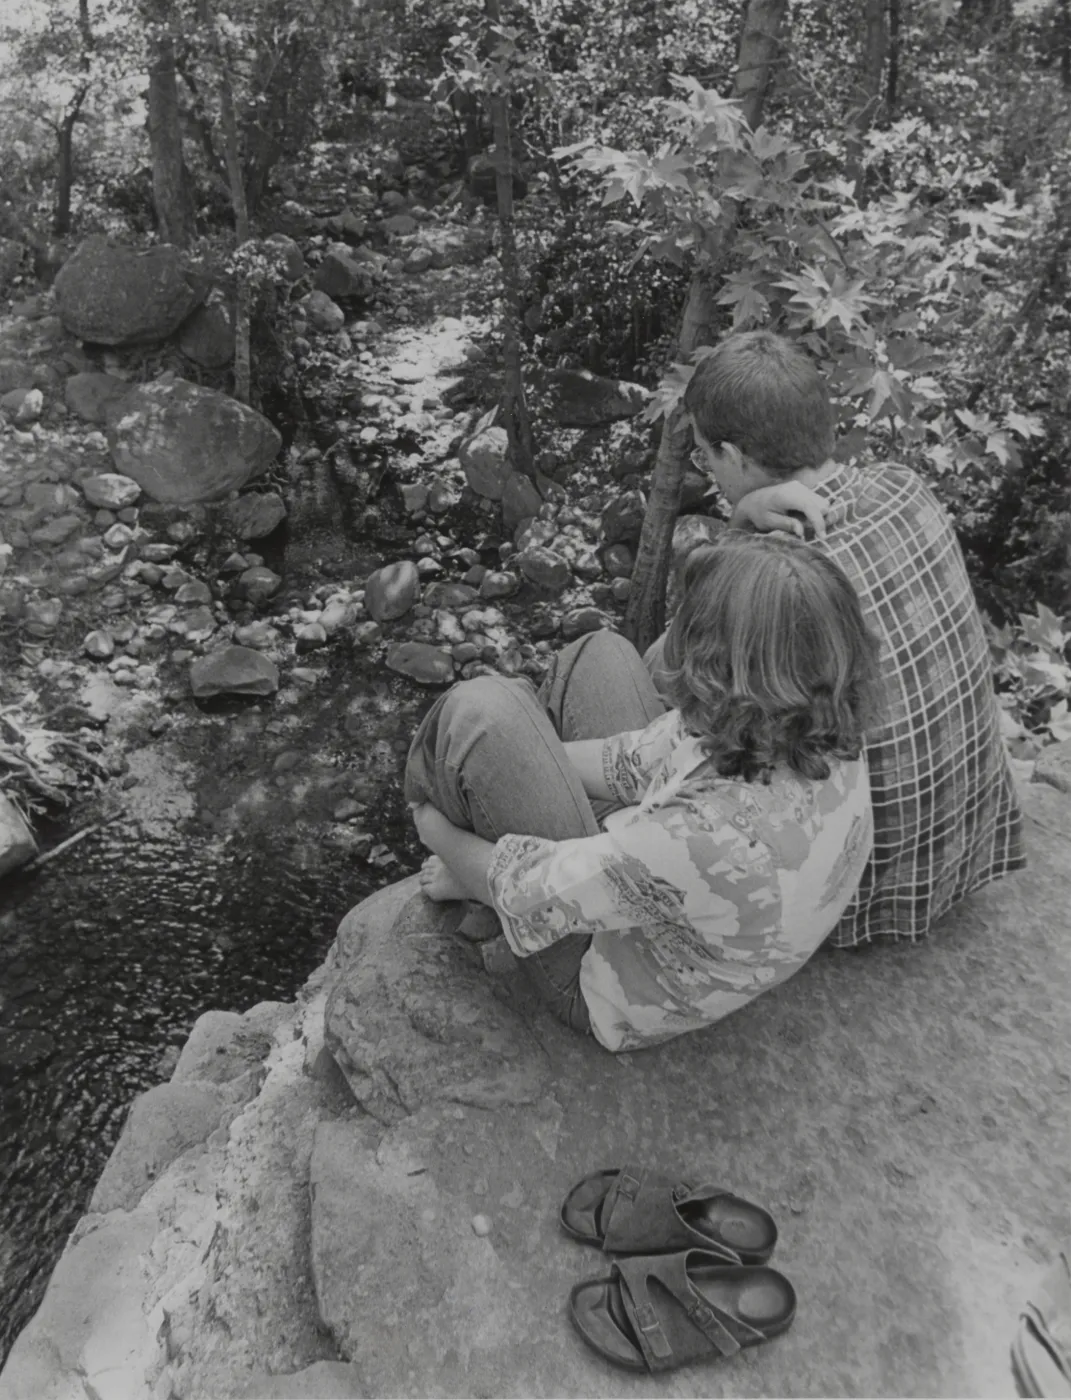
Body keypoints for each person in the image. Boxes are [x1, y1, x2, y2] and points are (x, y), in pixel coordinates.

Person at [406, 535, 880, 1053]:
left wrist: (436, 828)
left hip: (604, 983)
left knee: (482, 712)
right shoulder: (812, 727)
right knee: (601, 651)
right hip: (672, 879)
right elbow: (636, 760)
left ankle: (455, 837)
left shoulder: (708, 837)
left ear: (721, 669)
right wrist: (532, 760)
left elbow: (524, 891)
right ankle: (505, 797)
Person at [650, 329, 1026, 945]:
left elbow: (661, 675)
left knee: (611, 672)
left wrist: (737, 528)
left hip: (851, 892)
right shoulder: (904, 486)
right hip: (961, 849)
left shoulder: (774, 580)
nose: (707, 471)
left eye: (705, 456)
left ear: (737, 456)